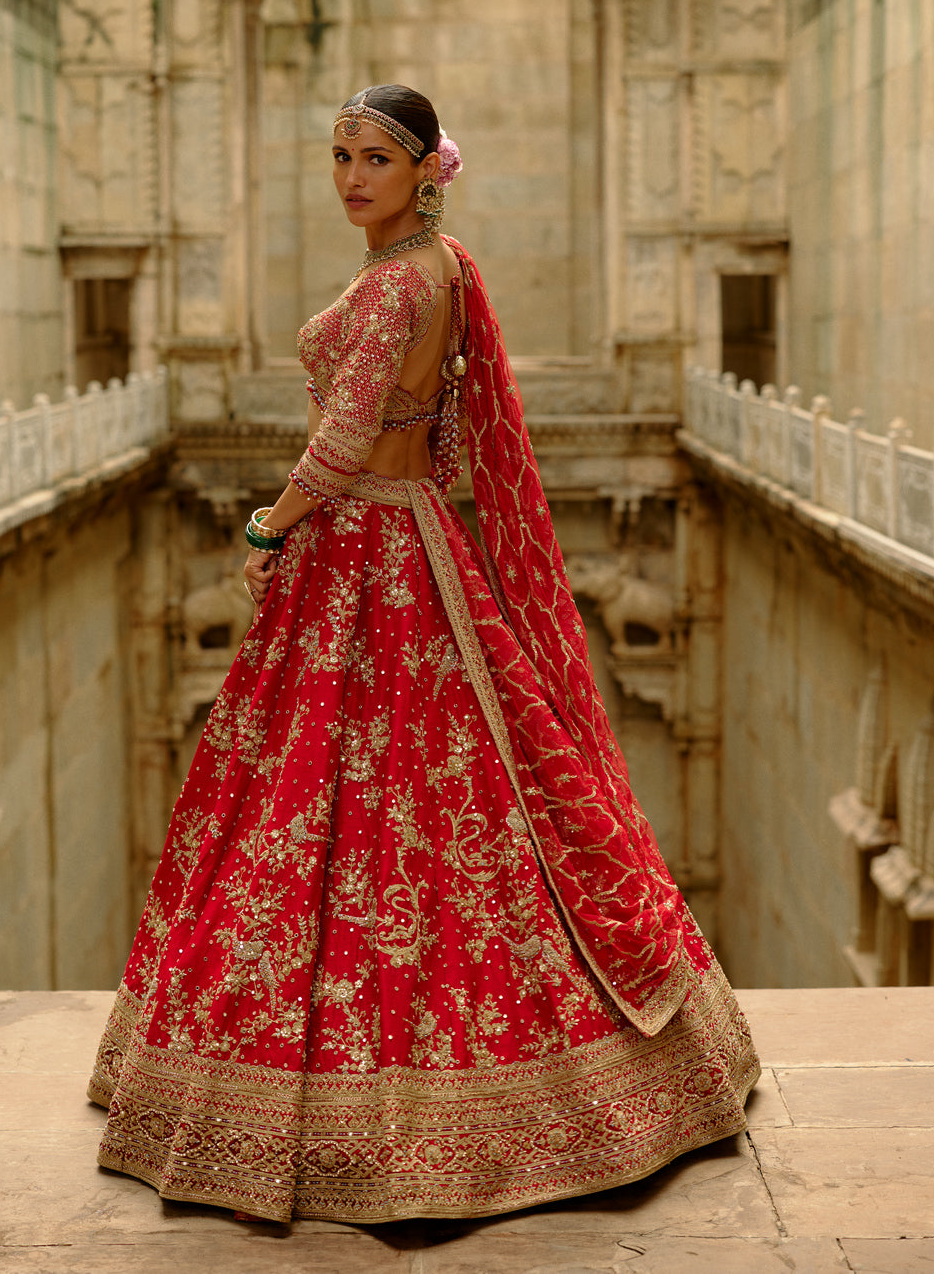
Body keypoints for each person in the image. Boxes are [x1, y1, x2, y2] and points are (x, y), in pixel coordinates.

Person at [88, 84, 759, 1223]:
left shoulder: (404, 281)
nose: (352, 177)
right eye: (341, 156)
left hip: (370, 553)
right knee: (432, 796)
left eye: (377, 159)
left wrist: (268, 529)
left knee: (353, 800)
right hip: (404, 544)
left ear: (422, 172)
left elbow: (347, 433)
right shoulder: (436, 268)